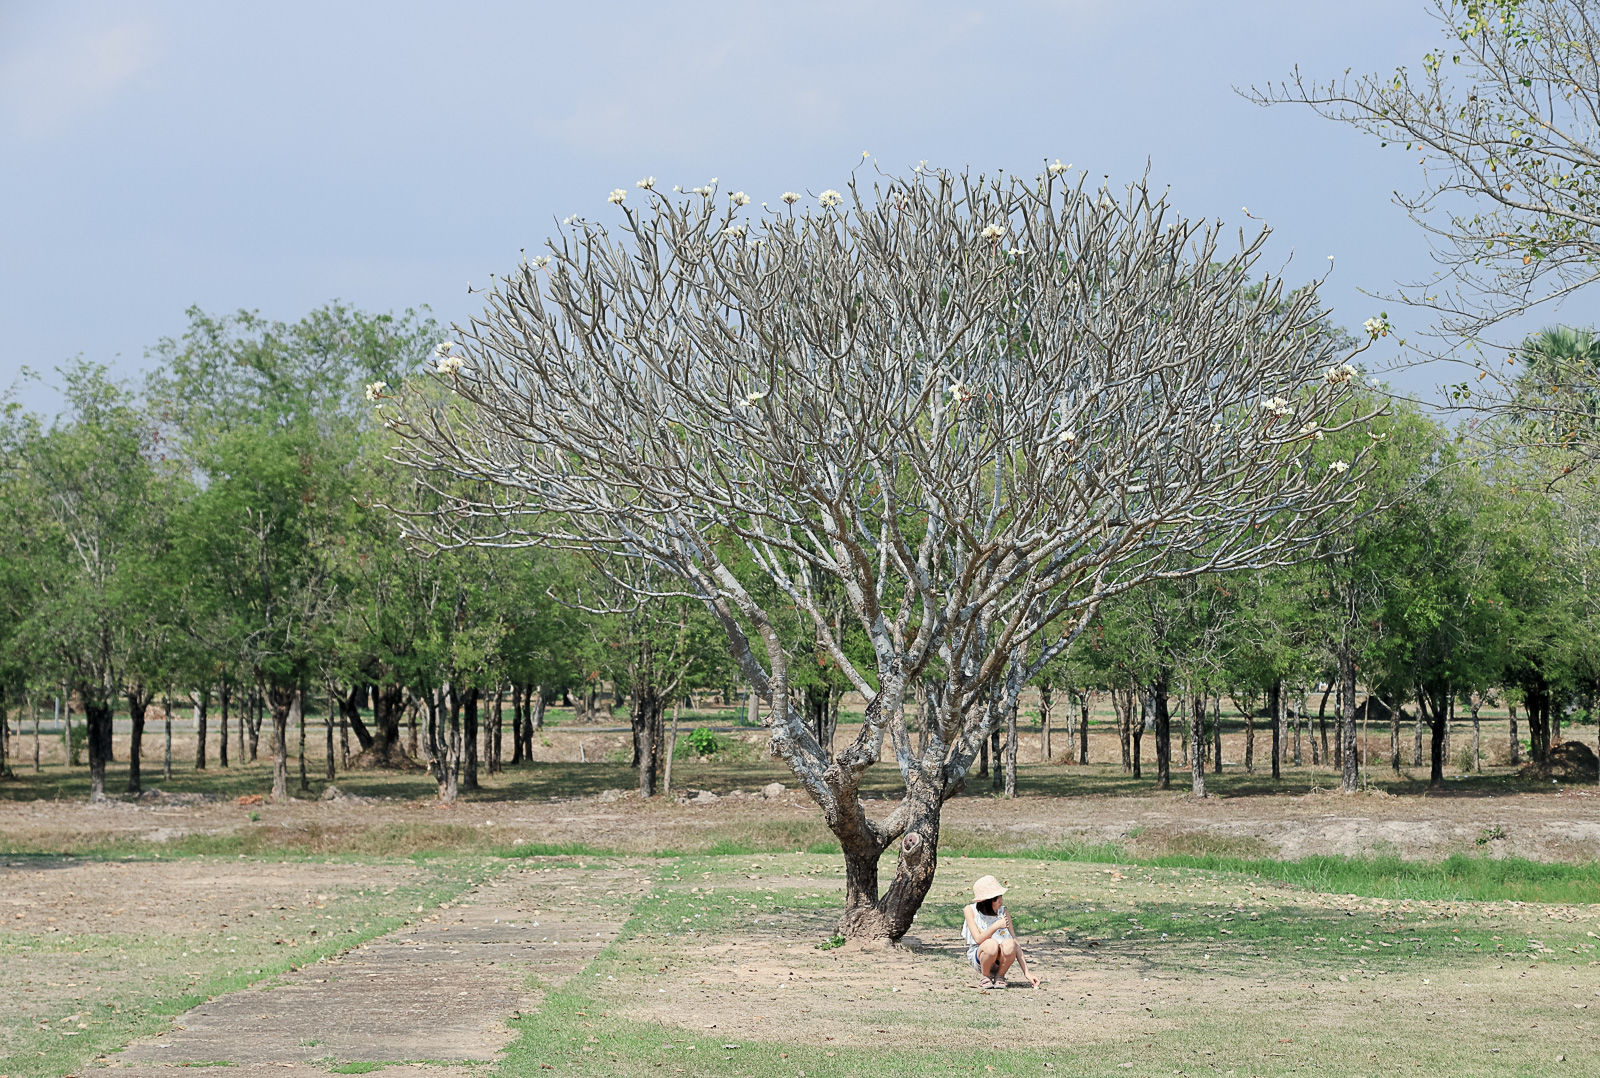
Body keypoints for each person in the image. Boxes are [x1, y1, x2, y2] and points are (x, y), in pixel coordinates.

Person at [962, 875, 1038, 989]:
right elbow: (978, 939)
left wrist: (1027, 973)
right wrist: (995, 926)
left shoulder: (1003, 912)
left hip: (1000, 960)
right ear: (986, 901)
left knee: (1010, 943)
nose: (1001, 901)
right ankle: (986, 976)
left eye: (1001, 897)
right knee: (990, 944)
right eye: (997, 898)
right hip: (981, 956)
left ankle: (1000, 976)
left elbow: (1015, 943)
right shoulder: (970, 910)